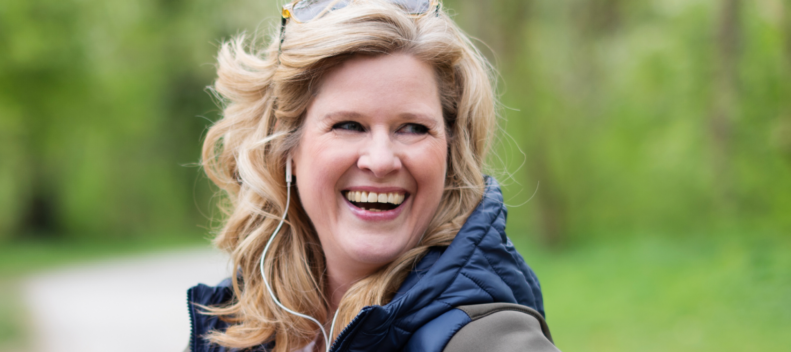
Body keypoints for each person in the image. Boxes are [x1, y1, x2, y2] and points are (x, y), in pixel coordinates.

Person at [187, 1, 559, 351]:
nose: (380, 161)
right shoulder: (231, 327)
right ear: (287, 147)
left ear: (451, 151)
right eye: (349, 125)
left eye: (412, 128)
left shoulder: (491, 340)